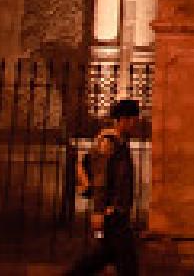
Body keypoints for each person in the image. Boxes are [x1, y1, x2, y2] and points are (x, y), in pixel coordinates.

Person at [67, 97, 141, 276]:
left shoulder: (121, 143)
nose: (135, 124)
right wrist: (98, 211)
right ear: (123, 119)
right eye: (133, 120)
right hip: (112, 213)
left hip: (117, 212)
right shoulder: (108, 142)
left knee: (101, 257)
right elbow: (101, 178)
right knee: (127, 263)